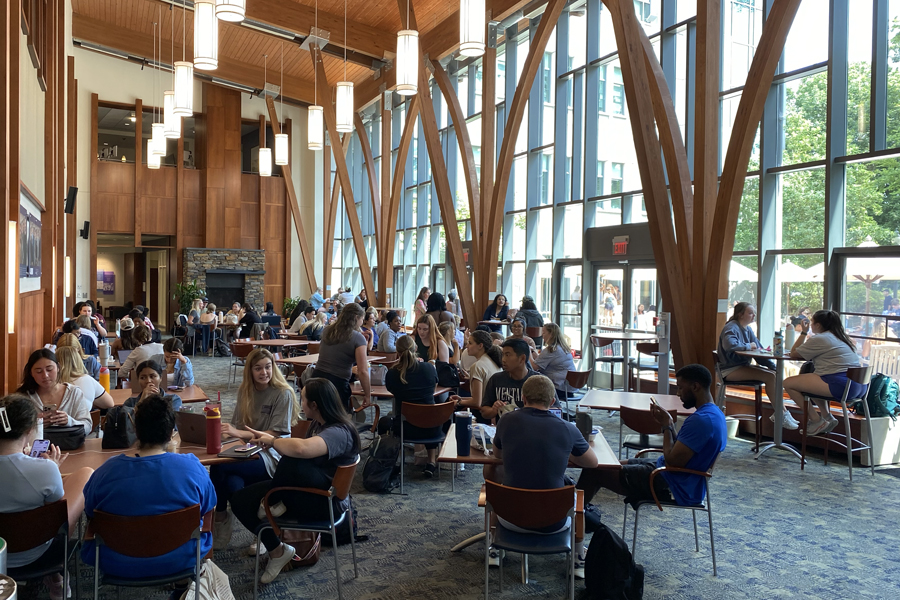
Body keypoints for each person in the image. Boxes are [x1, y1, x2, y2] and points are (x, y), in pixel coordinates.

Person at [230, 378, 360, 584]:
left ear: (314, 405)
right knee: (239, 500)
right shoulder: (319, 424)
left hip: (326, 502)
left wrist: (273, 441)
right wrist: (268, 438)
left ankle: (271, 502)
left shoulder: (339, 432)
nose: (301, 403)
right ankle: (277, 550)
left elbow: (302, 449)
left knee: (293, 457)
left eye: (303, 399)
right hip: (306, 491)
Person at [81, 394, 215, 591]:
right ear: (171, 433)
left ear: (135, 429)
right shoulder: (192, 468)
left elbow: (90, 511)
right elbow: (208, 505)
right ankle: (180, 585)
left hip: (116, 559)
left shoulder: (105, 473)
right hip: (181, 557)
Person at [489, 375, 598, 574]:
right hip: (554, 521)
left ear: (523, 397)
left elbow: (497, 454)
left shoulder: (506, 420)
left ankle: (494, 547)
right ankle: (578, 558)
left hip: (509, 519)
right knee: (577, 499)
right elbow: (592, 463)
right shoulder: (568, 429)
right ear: (552, 401)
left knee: (498, 490)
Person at [577, 365, 725, 506]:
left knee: (594, 471)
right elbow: (680, 451)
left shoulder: (701, 420)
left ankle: (571, 519)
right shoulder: (715, 414)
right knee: (606, 465)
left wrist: (666, 426)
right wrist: (671, 426)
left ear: (695, 387)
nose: (678, 393)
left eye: (680, 388)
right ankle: (577, 515)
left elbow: (672, 459)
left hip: (671, 483)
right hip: (675, 475)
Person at [0, 394, 93, 599]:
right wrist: (51, 468)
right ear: (29, 430)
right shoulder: (44, 470)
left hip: (1, 553)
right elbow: (54, 511)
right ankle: (57, 574)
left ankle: (56, 576)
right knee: (85, 474)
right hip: (37, 552)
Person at [210, 348, 299, 550]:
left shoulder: (283, 393)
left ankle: (221, 516)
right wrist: (215, 435)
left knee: (220, 468)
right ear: (249, 370)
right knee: (232, 484)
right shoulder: (246, 391)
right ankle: (264, 533)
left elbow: (274, 436)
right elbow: (237, 428)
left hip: (273, 455)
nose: (264, 372)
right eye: (258, 368)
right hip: (247, 451)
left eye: (268, 367)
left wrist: (238, 434)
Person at [716, 302, 797, 429]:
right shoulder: (731, 327)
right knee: (770, 377)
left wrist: (773, 367)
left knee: (773, 374)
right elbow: (729, 345)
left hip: (741, 367)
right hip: (729, 369)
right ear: (740, 314)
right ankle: (781, 415)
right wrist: (749, 346)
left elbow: (759, 350)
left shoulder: (748, 330)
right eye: (750, 313)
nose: (753, 315)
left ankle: (782, 413)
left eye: (753, 313)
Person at [783, 310, 863, 436]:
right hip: (858, 386)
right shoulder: (842, 337)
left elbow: (794, 353)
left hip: (841, 385)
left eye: (812, 322)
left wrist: (804, 332)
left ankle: (815, 420)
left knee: (788, 383)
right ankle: (827, 417)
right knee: (809, 380)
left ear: (818, 325)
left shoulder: (821, 338)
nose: (811, 325)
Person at [385, 336, 442, 477]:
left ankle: (394, 461)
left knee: (385, 421)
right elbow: (433, 390)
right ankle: (431, 461)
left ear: (397, 352)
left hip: (406, 429)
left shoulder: (392, 374)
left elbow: (393, 391)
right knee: (427, 413)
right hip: (433, 429)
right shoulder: (429, 368)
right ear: (415, 348)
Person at [312, 303, 371, 414]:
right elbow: (362, 371)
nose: (362, 322)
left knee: (318, 417)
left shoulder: (327, 330)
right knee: (338, 420)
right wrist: (367, 395)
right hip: (337, 383)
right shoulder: (358, 338)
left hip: (316, 378)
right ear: (356, 318)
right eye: (362, 319)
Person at [17, 349, 93, 436]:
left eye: (49, 369)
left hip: (69, 445)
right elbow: (13, 430)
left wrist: (69, 421)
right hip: (34, 448)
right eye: (39, 371)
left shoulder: (74, 393)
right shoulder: (23, 396)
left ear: (58, 368)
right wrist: (35, 424)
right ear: (31, 373)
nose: (45, 375)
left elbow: (88, 427)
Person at [479, 339, 538, 421]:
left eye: (507, 355)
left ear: (522, 358)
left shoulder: (538, 381)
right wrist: (493, 410)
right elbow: (484, 412)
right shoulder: (496, 379)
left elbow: (555, 410)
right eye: (503, 355)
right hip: (503, 431)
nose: (503, 359)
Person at [454, 330, 502, 415]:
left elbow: (477, 402)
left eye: (470, 343)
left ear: (480, 346)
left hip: (484, 414)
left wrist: (458, 402)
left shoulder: (477, 366)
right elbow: (481, 397)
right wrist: (461, 399)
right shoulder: (493, 361)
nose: (467, 346)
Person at [55, 345, 114, 410]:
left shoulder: (50, 384)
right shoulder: (87, 380)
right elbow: (110, 403)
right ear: (79, 360)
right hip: (84, 419)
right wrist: (90, 401)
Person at [531, 323, 576, 405]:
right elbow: (543, 360)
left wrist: (528, 353)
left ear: (551, 334)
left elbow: (534, 367)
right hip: (569, 386)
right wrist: (534, 353)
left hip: (558, 389)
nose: (542, 335)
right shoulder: (563, 347)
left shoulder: (551, 350)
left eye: (544, 333)